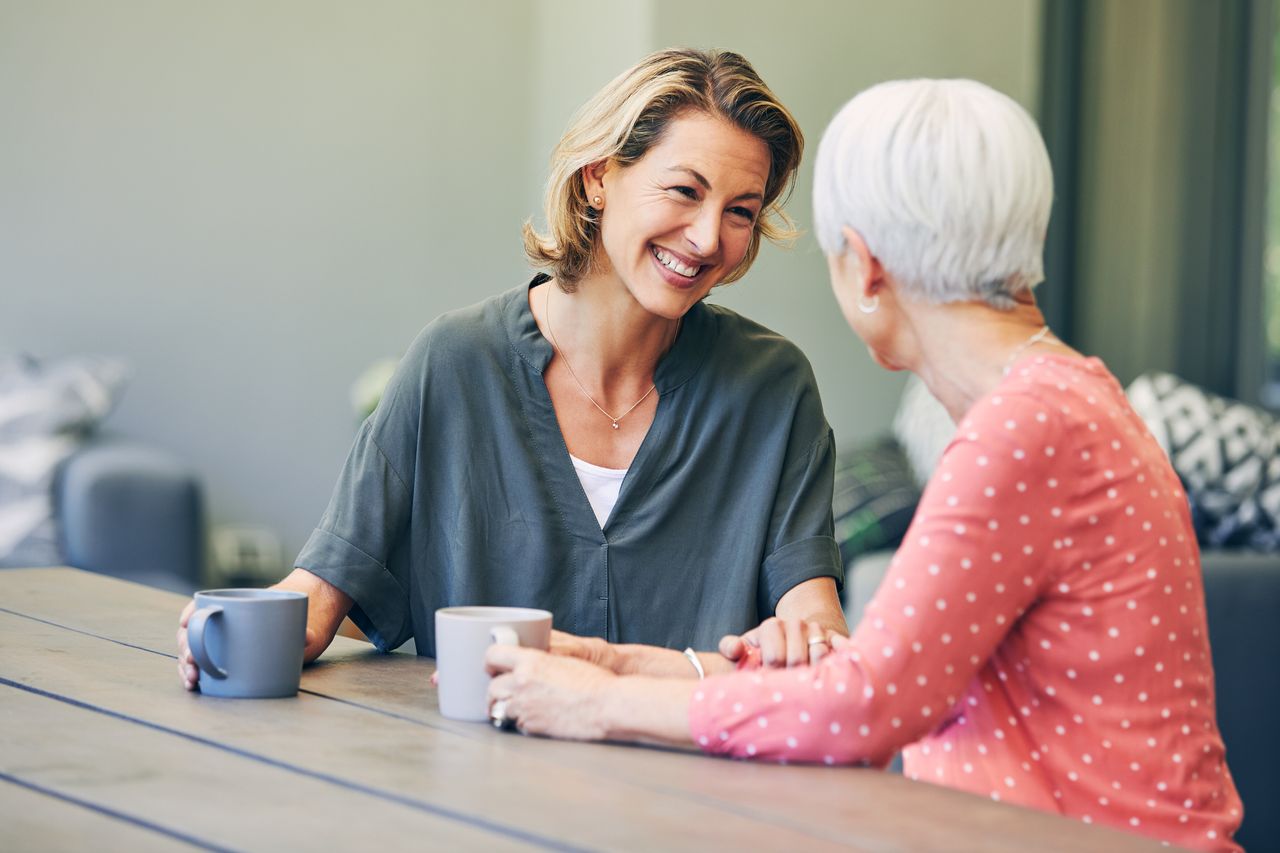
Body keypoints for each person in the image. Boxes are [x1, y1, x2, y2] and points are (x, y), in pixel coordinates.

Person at [482, 78, 1243, 851]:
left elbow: (865, 710)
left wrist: (597, 704)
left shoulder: (1028, 428)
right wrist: (615, 663)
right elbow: (881, 676)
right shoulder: (1064, 401)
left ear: (867, 265)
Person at [177, 48, 848, 690]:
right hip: (476, 786)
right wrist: (228, 634)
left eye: (740, 211)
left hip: (691, 792)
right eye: (683, 190)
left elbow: (814, 626)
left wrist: (803, 644)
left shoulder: (772, 390)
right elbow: (317, 598)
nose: (708, 239)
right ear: (599, 177)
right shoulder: (455, 364)